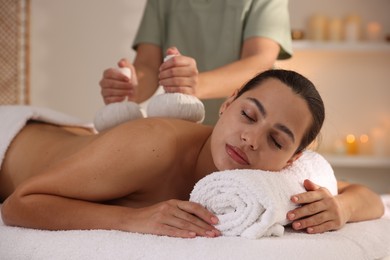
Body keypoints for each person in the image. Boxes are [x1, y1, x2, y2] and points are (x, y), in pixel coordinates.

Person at [0, 70, 384, 238]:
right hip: (10, 142)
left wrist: (341, 209)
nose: (252, 140)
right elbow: (20, 204)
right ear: (227, 104)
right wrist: (133, 219)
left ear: (292, 159)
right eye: (248, 115)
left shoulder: (272, 178)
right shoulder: (153, 145)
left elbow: (368, 198)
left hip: (76, 139)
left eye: (276, 140)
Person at [99, 0, 293, 125]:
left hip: (242, 133)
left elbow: (258, 63)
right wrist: (130, 88)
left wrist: (195, 84)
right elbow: (148, 66)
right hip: (181, 133)